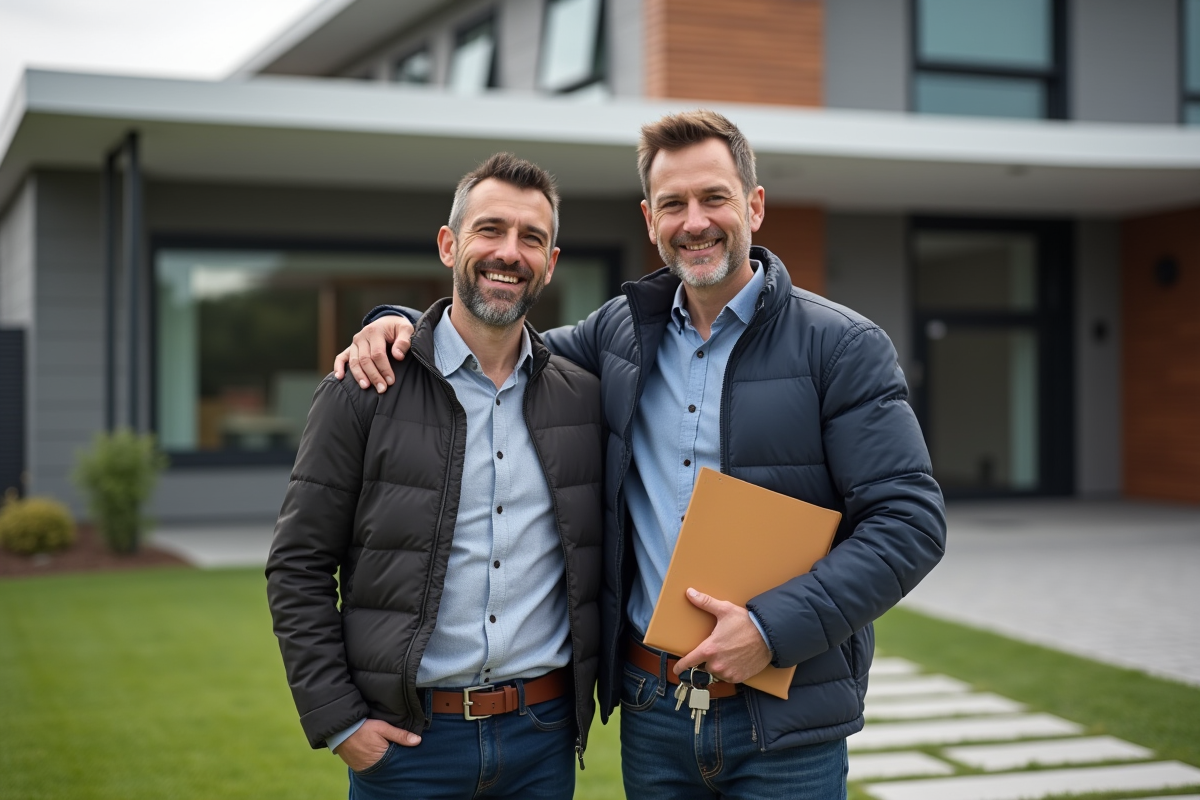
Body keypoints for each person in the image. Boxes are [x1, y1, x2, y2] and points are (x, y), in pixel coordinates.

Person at [335, 110, 946, 799]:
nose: (695, 222)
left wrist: (771, 630)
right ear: (650, 219)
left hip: (786, 721)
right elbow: (493, 342)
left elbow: (910, 524)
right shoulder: (619, 333)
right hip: (654, 711)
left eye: (714, 198)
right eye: (673, 204)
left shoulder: (842, 346)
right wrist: (393, 324)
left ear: (754, 206)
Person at [267, 152, 603, 800]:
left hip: (542, 740)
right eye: (490, 229)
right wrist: (339, 721)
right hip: (409, 746)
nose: (509, 253)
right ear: (449, 244)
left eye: (531, 238)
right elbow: (298, 564)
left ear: (551, 262)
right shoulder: (364, 388)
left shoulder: (582, 399)